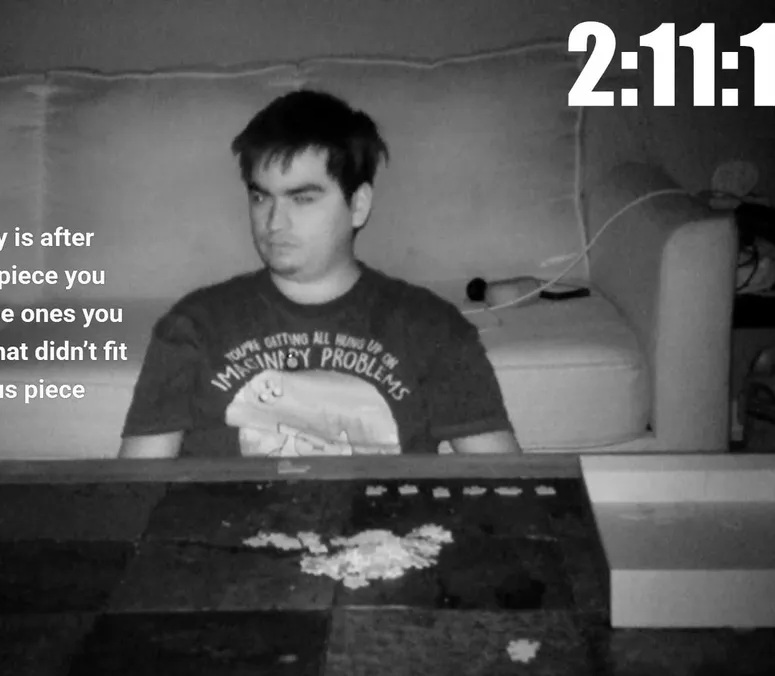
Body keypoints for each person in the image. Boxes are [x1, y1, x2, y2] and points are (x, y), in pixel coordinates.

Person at [118, 89, 520, 458]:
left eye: (303, 199)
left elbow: (504, 483)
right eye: (260, 197)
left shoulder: (433, 327)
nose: (274, 222)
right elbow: (136, 489)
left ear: (358, 205)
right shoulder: (192, 326)